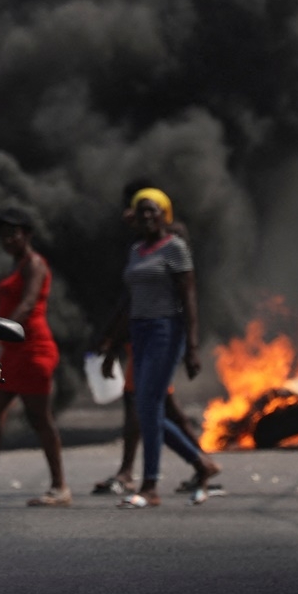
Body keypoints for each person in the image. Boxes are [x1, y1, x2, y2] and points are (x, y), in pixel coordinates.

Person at [101, 186, 220, 508]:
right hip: (139, 331)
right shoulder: (137, 250)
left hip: (165, 330)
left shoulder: (175, 249)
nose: (146, 216)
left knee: (148, 406)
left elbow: (188, 298)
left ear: (165, 215)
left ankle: (150, 486)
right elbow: (131, 301)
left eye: (152, 210)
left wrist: (192, 346)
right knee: (146, 409)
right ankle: (200, 463)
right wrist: (112, 346)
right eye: (141, 211)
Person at [0, 207, 69, 507]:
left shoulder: (34, 264)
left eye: (13, 234)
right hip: (14, 352)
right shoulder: (17, 265)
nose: (7, 240)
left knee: (40, 418)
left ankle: (60, 487)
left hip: (33, 350)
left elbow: (28, 303)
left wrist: (1, 328)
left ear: (27, 234)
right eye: (3, 235)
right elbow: (13, 297)